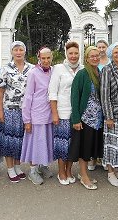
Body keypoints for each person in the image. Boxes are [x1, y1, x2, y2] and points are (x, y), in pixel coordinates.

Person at [68, 46, 103, 190]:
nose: (95, 58)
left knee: (91, 148)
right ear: (87, 59)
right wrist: (76, 119)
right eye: (91, 56)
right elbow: (75, 97)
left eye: (97, 56)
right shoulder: (82, 74)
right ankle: (83, 175)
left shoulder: (99, 72)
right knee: (84, 148)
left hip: (98, 118)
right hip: (85, 118)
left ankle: (85, 173)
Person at [49, 41, 83, 185]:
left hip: (77, 114)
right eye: (71, 53)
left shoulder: (82, 69)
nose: (73, 56)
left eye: (76, 53)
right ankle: (61, 172)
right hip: (62, 113)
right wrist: (54, 113)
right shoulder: (58, 68)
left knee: (73, 144)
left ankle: (69, 170)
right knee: (62, 144)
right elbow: (52, 92)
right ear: (66, 54)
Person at [0, 41, 33, 183]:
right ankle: (10, 169)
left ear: (25, 51)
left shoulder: (31, 68)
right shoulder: (5, 69)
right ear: (12, 52)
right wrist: (0, 111)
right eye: (15, 50)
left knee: (20, 140)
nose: (18, 52)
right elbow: (0, 92)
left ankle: (18, 166)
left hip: (24, 112)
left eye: (21, 49)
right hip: (9, 110)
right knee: (9, 140)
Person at [20, 47, 54, 185]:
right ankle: (33, 170)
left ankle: (42, 166)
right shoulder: (33, 73)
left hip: (49, 114)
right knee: (35, 143)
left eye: (48, 58)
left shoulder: (53, 71)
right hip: (36, 115)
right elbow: (28, 97)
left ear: (51, 58)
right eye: (43, 58)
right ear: (39, 58)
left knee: (45, 142)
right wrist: (27, 120)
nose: (46, 61)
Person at [101, 42, 118, 187]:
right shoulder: (107, 69)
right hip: (113, 114)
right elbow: (104, 95)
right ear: (111, 54)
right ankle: (110, 172)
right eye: (116, 52)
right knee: (111, 144)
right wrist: (108, 116)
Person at [88, 39, 110, 171]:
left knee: (104, 132)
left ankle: (103, 158)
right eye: (99, 47)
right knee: (94, 131)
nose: (101, 49)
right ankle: (93, 159)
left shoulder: (110, 62)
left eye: (103, 47)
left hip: (107, 102)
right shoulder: (93, 64)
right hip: (94, 103)